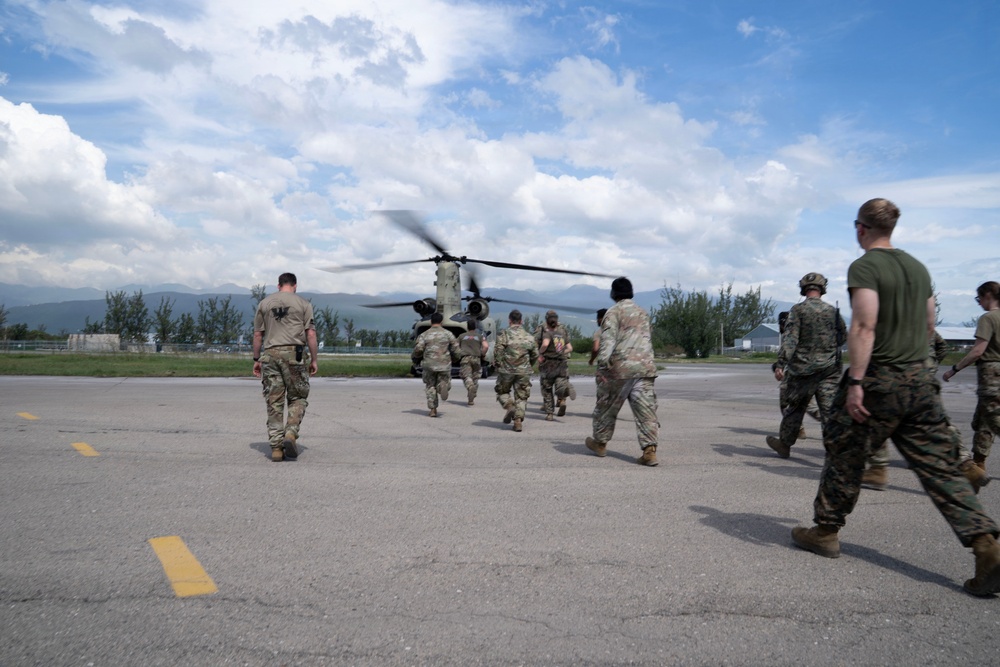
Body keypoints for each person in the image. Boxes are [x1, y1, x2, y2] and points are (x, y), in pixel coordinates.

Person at [791, 198, 1000, 597]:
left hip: (879, 379)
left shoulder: (865, 266)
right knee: (939, 468)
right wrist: (916, 369)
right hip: (920, 379)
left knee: (844, 451)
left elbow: (864, 325)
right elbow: (928, 323)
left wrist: (855, 382)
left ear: (861, 228)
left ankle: (825, 531)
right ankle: (986, 545)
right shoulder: (918, 268)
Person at [864, 331, 989, 492]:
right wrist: (932, 364)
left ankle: (877, 470)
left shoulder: (886, 316)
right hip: (923, 372)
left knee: (878, 417)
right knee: (938, 421)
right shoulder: (920, 318)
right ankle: (967, 465)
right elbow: (942, 346)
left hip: (895, 373)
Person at [765, 274, 846, 458]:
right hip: (829, 370)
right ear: (822, 288)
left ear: (803, 288)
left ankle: (784, 445)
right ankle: (834, 452)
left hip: (803, 370)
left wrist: (781, 363)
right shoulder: (833, 312)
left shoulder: (798, 310)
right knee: (829, 411)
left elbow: (790, 339)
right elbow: (842, 338)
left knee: (795, 409)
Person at [585, 277, 660, 466]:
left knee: (606, 407)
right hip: (645, 368)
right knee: (646, 412)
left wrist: (602, 365)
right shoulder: (643, 313)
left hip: (620, 369)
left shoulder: (613, 312)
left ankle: (600, 443)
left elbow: (607, 340)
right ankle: (649, 451)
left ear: (613, 294)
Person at [252, 272, 319, 462]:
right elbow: (311, 334)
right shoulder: (303, 304)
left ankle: (276, 448)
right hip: (295, 355)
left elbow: (258, 335)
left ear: (278, 285)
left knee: (274, 401)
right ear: (295, 285)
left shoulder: (264, 303)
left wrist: (256, 359)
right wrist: (314, 359)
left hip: (270, 354)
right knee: (298, 397)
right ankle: (290, 433)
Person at [944, 280, 1000, 480]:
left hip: (992, 377)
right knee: (983, 421)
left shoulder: (988, 318)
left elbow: (978, 351)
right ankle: (978, 467)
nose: (979, 303)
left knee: (995, 421)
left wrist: (954, 369)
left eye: (979, 298)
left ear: (987, 296)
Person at [494, 310, 538, 432]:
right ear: (521, 321)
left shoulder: (504, 334)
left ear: (509, 321)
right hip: (523, 371)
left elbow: (498, 351)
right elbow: (535, 354)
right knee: (521, 397)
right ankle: (518, 422)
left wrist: (498, 365)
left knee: (502, 392)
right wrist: (529, 365)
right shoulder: (529, 336)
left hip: (506, 370)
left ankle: (509, 406)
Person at [411, 312, 459, 417]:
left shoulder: (424, 334)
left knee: (430, 386)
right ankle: (443, 387)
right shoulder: (448, 334)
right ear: (441, 321)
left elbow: (418, 349)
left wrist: (417, 357)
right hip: (444, 364)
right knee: (445, 381)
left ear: (431, 321)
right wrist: (455, 359)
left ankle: (433, 409)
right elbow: (456, 349)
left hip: (429, 364)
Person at [535, 310, 576, 420]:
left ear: (546, 320)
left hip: (548, 364)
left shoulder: (547, 331)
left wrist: (540, 353)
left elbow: (545, 344)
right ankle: (564, 393)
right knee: (560, 385)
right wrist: (562, 352)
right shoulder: (561, 332)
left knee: (547, 388)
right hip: (561, 363)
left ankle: (549, 414)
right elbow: (570, 348)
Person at [456, 319, 489, 406]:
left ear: (467, 327)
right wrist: (482, 354)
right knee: (475, 378)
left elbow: (455, 347)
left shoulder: (461, 336)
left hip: (465, 358)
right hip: (477, 359)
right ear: (475, 327)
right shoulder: (479, 336)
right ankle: (471, 399)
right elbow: (486, 346)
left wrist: (457, 355)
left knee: (466, 377)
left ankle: (470, 388)